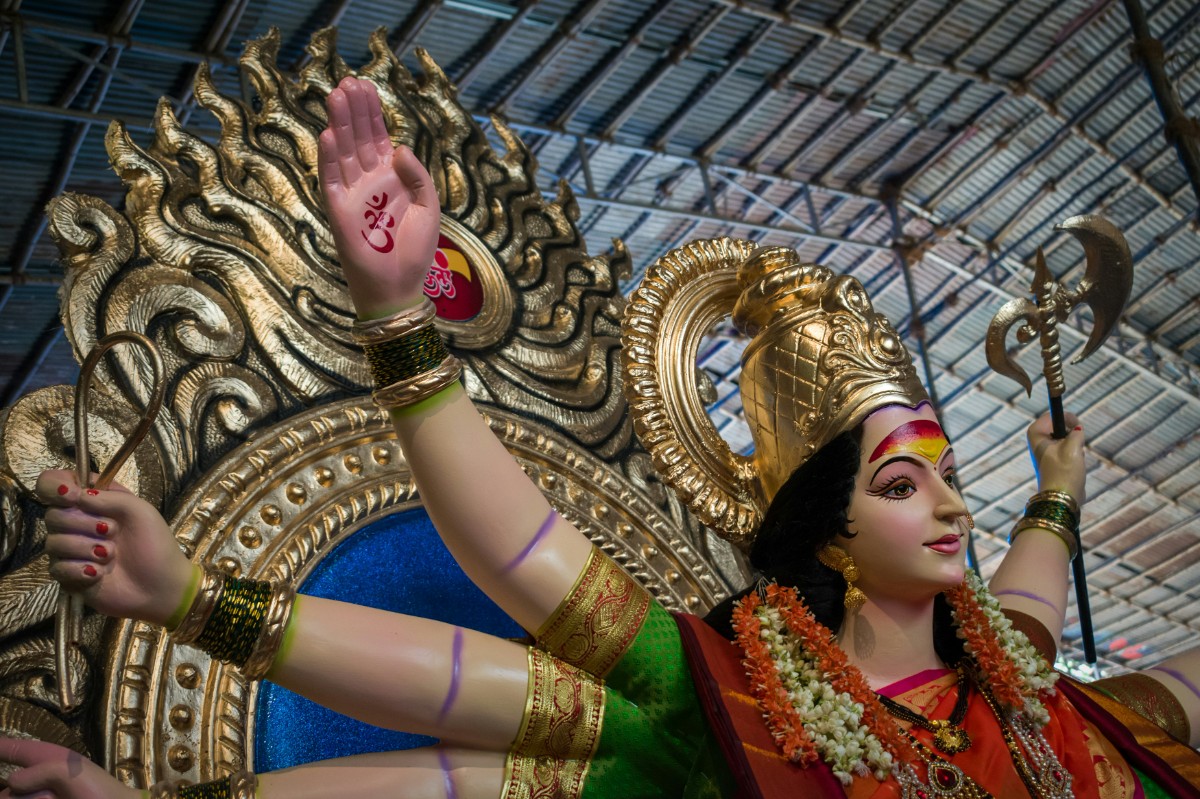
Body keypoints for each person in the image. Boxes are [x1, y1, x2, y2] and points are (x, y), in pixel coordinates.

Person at [2, 76, 1199, 799]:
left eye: (945, 480)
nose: (950, 509)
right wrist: (394, 314)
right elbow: (517, 555)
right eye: (902, 482)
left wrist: (1057, 495)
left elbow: (1030, 603)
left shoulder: (1020, 686)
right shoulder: (729, 704)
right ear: (831, 535)